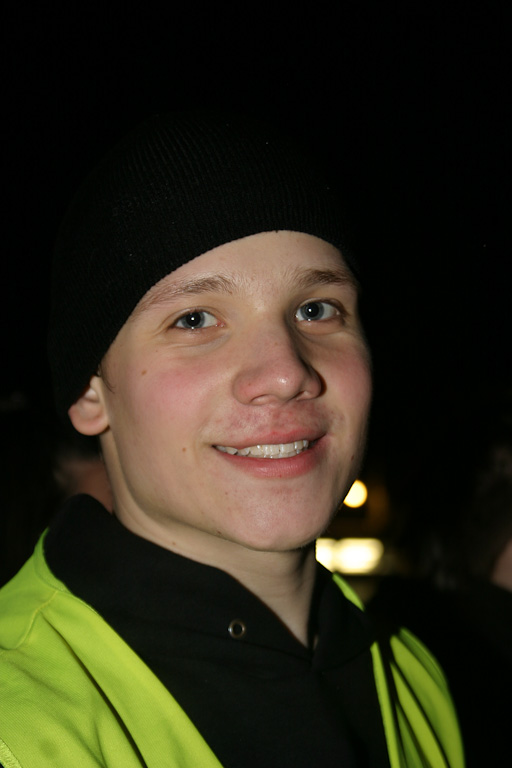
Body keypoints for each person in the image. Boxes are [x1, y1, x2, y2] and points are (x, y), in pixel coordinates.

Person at [0, 113, 464, 767]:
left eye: (316, 309)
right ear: (89, 391)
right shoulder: (18, 724)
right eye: (195, 320)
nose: (285, 372)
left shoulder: (416, 677)